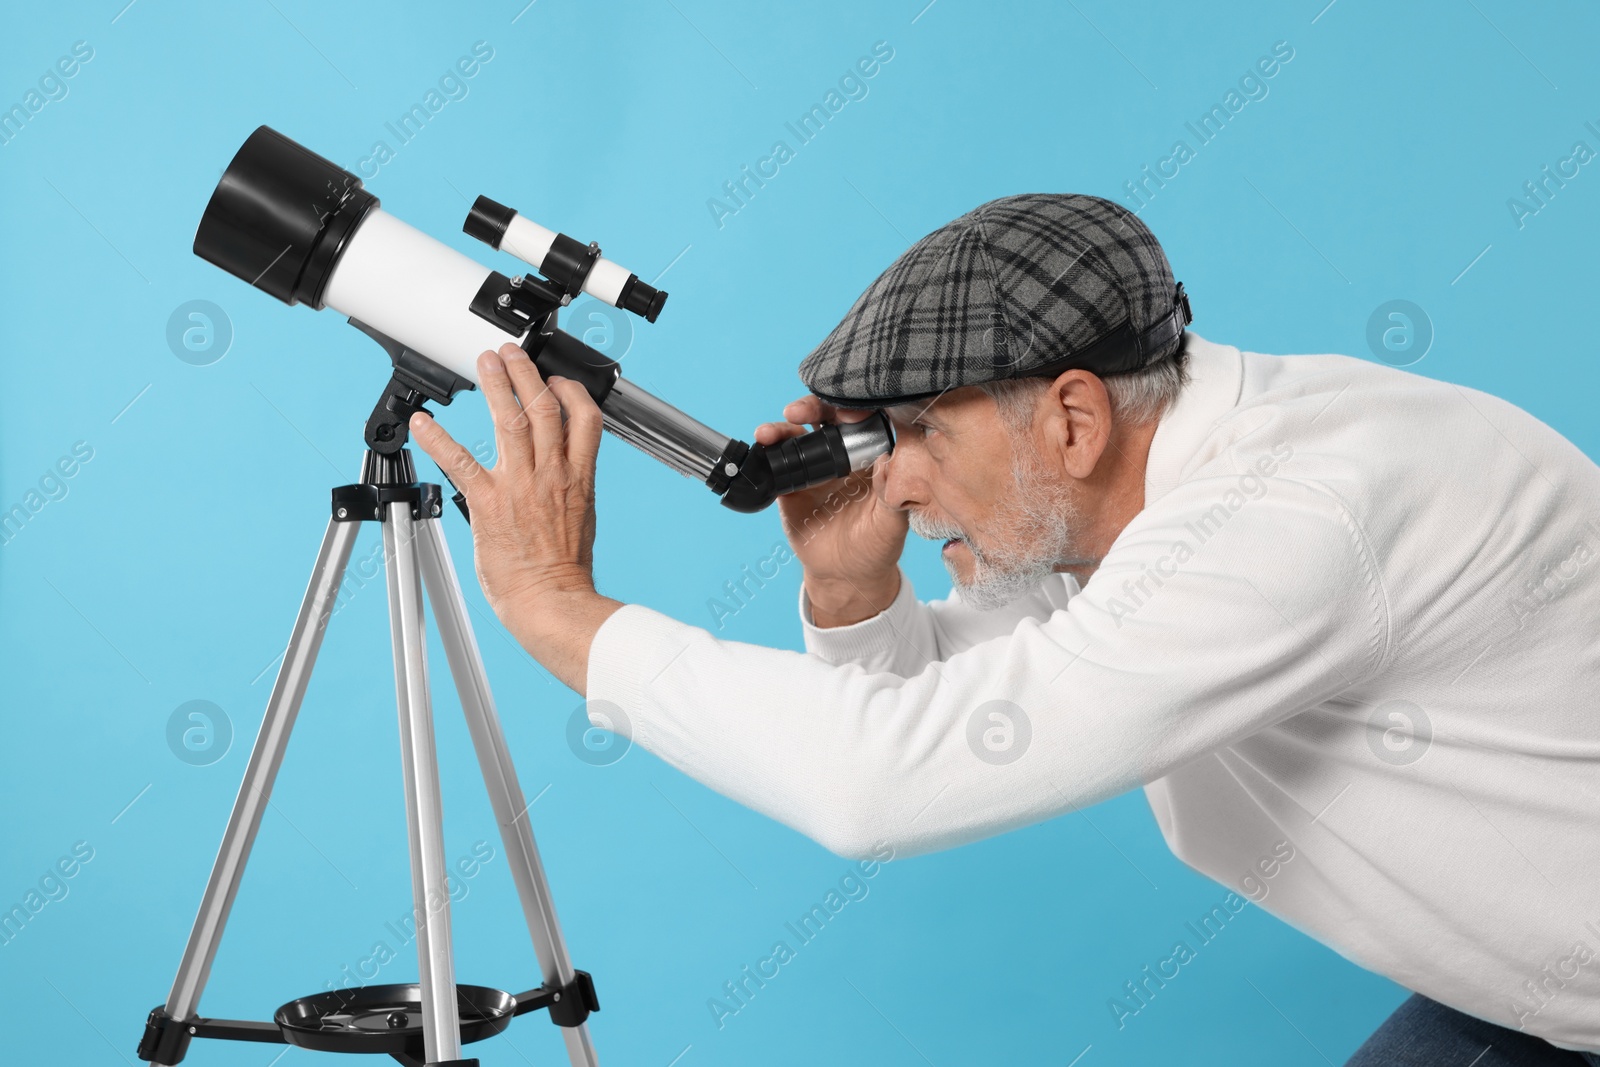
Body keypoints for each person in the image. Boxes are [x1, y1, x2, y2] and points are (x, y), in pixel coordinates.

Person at [409, 194, 1600, 1064]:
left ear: (1072, 416)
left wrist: (552, 605)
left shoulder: (1291, 515)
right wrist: (849, 594)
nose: (899, 482)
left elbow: (880, 783)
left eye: (917, 435)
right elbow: (949, 697)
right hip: (1526, 999)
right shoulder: (1138, 488)